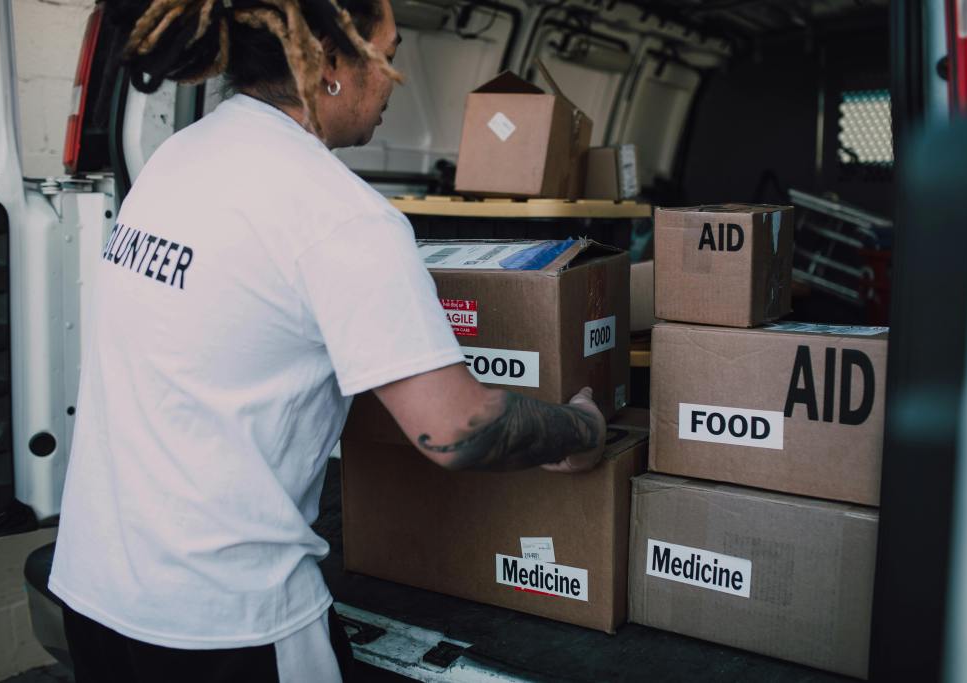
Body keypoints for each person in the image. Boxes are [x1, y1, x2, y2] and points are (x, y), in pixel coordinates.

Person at [48, 0, 607, 681]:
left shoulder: (176, 158)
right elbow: (457, 430)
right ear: (332, 65)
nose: (393, 85)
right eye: (389, 55)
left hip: (93, 585)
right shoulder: (341, 214)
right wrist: (579, 429)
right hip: (224, 624)